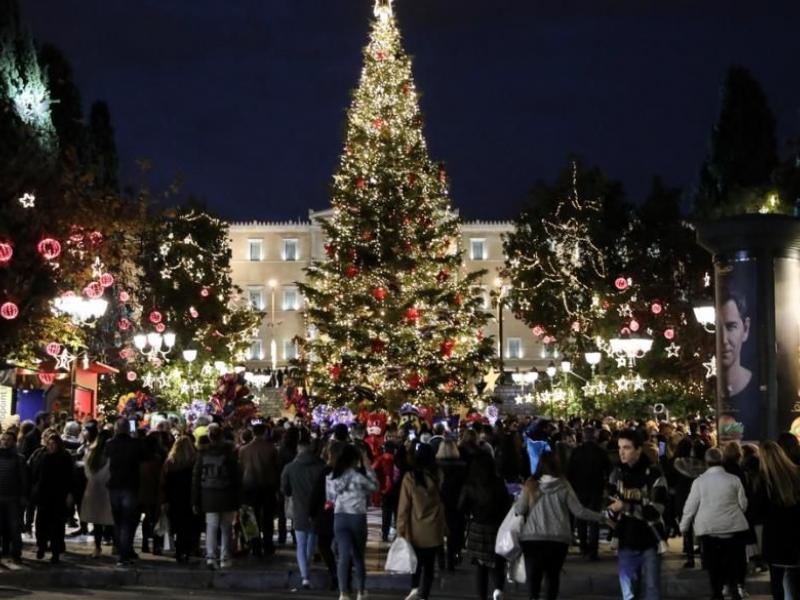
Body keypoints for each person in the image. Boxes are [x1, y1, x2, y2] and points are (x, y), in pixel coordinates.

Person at [515, 450, 605, 600]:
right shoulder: (564, 485)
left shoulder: (531, 484)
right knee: (552, 577)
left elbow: (520, 509)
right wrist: (602, 518)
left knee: (534, 581)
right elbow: (579, 511)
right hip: (558, 539)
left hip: (532, 538)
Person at [679, 447, 749, 600]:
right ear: (722, 460)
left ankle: (717, 592)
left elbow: (691, 506)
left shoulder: (699, 482)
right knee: (732, 562)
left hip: (709, 529)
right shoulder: (733, 479)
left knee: (713, 565)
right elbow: (743, 504)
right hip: (732, 527)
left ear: (706, 461)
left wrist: (684, 526)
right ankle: (734, 590)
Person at [608, 429, 668, 600]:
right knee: (629, 594)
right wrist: (611, 512)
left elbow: (656, 510)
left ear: (638, 449)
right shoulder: (617, 474)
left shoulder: (654, 474)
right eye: (619, 447)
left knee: (652, 590)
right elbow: (609, 503)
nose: (621, 452)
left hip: (650, 540)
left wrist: (625, 507)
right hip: (625, 540)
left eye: (626, 447)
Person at [327, 443, 378, 600]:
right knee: (358, 556)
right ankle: (361, 592)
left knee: (343, 556)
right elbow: (375, 487)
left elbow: (329, 498)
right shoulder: (359, 477)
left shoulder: (332, 476)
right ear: (355, 459)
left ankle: (343, 593)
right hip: (357, 517)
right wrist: (368, 467)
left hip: (340, 517)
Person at [458, 451, 511, 600]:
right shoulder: (499, 482)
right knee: (497, 563)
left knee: (481, 568)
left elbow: (461, 507)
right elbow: (506, 505)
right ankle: (498, 590)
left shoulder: (470, 484)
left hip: (477, 527)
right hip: (496, 528)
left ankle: (482, 597)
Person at [397, 443, 447, 600]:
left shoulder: (410, 478)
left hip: (415, 528)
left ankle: (414, 588)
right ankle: (424, 595)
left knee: (415, 562)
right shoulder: (438, 476)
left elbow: (404, 507)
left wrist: (401, 528)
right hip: (434, 527)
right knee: (429, 565)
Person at [281, 436, 327, 590]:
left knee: (300, 543)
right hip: (316, 510)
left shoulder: (290, 467)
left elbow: (285, 490)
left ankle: (304, 576)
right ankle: (307, 568)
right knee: (311, 541)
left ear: (298, 450)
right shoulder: (321, 466)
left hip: (299, 508)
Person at [193, 422, 239, 569]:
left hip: (208, 495)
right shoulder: (229, 453)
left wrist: (195, 500)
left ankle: (211, 557)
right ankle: (225, 557)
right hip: (227, 494)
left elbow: (196, 477)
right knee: (226, 528)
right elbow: (236, 477)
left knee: (211, 527)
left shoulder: (202, 454)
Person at [757, 441, 800, 599]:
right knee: (794, 578)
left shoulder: (764, 481)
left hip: (775, 536)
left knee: (777, 579)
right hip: (796, 533)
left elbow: (759, 510)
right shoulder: (796, 473)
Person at [567, 426, 612, 560]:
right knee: (594, 519)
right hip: (596, 488)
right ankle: (593, 550)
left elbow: (570, 470)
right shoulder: (600, 451)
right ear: (595, 437)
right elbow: (609, 468)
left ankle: (583, 547)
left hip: (579, 488)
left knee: (580, 518)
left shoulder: (577, 451)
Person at [105, 418, 144, 566]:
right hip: (130, 485)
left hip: (114, 485)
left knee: (117, 520)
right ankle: (124, 554)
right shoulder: (135, 444)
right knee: (128, 521)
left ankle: (120, 551)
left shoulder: (109, 444)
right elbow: (143, 457)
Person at [30, 432, 73, 563]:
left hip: (58, 496)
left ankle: (55, 552)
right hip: (43, 495)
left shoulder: (65, 458)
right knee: (41, 524)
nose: (52, 446)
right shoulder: (42, 456)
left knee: (57, 526)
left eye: (54, 444)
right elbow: (35, 474)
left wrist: (69, 494)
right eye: (50, 444)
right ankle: (41, 547)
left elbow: (69, 477)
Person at [238, 420, 279, 556]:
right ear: (265, 432)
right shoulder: (271, 448)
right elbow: (275, 468)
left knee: (251, 517)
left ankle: (255, 545)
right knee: (267, 517)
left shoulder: (243, 450)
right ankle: (268, 544)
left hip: (249, 486)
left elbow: (241, 468)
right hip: (267, 486)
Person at [161, 435, 200, 563]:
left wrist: (165, 499)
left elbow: (165, 482)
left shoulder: (170, 462)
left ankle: (179, 551)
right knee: (188, 525)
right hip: (189, 496)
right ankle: (186, 551)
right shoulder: (194, 461)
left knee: (176, 525)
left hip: (174, 497)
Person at [80, 429, 114, 558]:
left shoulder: (91, 453)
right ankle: (112, 542)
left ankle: (97, 547)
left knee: (97, 521)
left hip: (93, 488)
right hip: (107, 488)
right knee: (110, 517)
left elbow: (86, 471)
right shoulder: (110, 454)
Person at [437, 438, 467, 571]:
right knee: (454, 533)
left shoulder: (436, 465)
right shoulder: (462, 467)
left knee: (437, 533)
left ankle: (440, 560)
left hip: (440, 503)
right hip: (457, 504)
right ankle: (452, 558)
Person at [0, 430, 26, 563]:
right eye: (3, 439)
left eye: (8, 439)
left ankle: (16, 553)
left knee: (14, 527)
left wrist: (22, 497)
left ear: (14, 442)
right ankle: (3, 550)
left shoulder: (19, 459)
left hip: (13, 499)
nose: (4, 442)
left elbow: (23, 480)